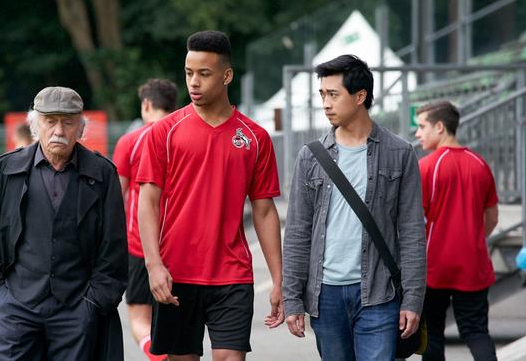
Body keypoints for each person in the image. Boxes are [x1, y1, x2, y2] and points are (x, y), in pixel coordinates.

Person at [136, 30, 284, 361]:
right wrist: (153, 265)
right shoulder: (164, 131)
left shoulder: (254, 138)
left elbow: (264, 211)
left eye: (204, 73)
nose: (194, 83)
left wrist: (279, 279)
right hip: (176, 274)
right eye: (189, 73)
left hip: (232, 274)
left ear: (226, 75)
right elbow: (148, 200)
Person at [0, 86, 128, 361]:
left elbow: (114, 248)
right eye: (50, 121)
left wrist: (93, 303)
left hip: (77, 310)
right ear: (35, 125)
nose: (59, 131)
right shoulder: (6, 171)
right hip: (15, 308)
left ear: (80, 128)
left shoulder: (102, 174)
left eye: (67, 122)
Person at [282, 54, 426, 360]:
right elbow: (297, 232)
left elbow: (412, 232)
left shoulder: (399, 153)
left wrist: (413, 299)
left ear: (360, 96)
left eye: (333, 94)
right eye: (322, 94)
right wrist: (292, 298)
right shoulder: (311, 157)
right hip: (326, 295)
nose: (325, 103)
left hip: (379, 294)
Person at [415, 100, 498, 361]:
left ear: (439, 127)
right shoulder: (480, 164)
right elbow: (492, 217)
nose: (418, 133)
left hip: (434, 266)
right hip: (474, 264)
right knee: (476, 332)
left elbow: (414, 221)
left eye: (421, 126)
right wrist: (471, 240)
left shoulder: (426, 167)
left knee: (433, 335)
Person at [113, 78, 178, 361]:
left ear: (147, 104)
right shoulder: (185, 136)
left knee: (139, 318)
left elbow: (117, 196)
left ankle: (153, 352)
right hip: (179, 247)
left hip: (138, 245)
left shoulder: (131, 140)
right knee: (178, 326)